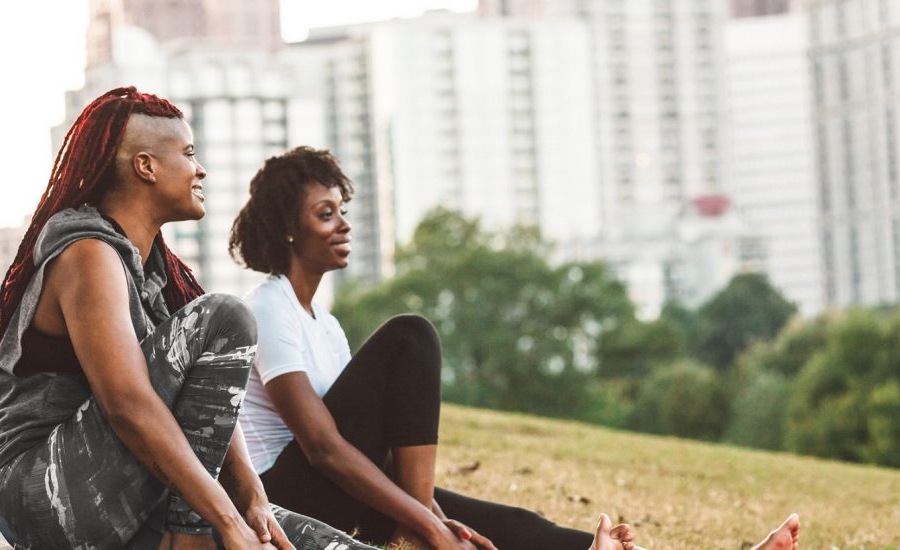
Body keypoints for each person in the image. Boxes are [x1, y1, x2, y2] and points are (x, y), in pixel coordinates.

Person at [228, 146, 801, 550]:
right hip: (285, 499)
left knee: (507, 524)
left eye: (343, 211)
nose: (344, 225)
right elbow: (324, 448)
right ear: (288, 229)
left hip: (335, 489)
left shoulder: (326, 325)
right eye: (325, 214)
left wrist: (438, 517)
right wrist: (428, 526)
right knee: (410, 336)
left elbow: (365, 447)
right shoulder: (270, 308)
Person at [0, 88, 381, 550]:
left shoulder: (157, 274)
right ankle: (188, 540)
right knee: (226, 316)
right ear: (146, 166)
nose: (200, 169)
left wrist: (251, 496)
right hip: (41, 495)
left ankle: (187, 533)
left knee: (328, 545)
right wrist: (224, 520)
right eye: (189, 154)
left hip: (129, 495)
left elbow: (211, 399)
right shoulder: (88, 254)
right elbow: (127, 405)